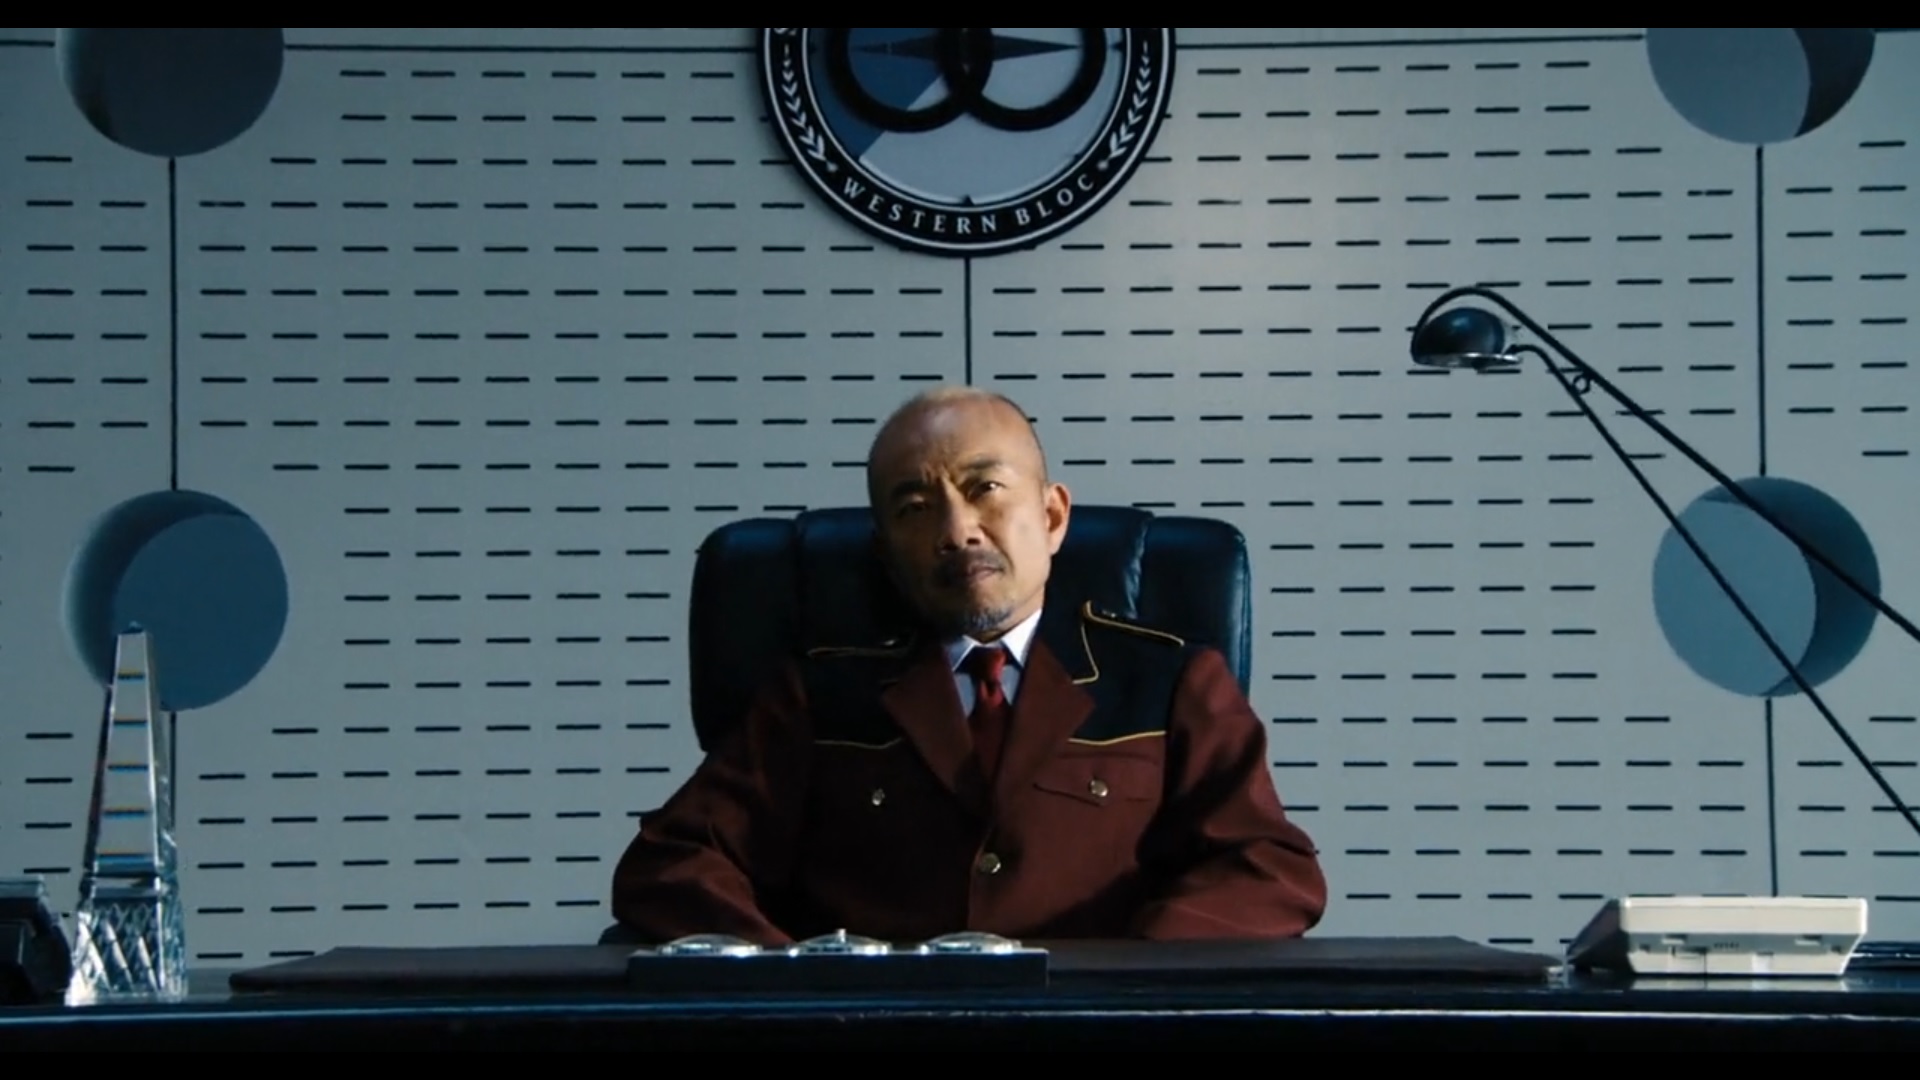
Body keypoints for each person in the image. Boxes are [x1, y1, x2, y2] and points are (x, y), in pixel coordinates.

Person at [610, 386, 1326, 944]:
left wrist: (1128, 984)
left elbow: (1267, 868)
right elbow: (672, 863)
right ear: (886, 554)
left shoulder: (1167, 683)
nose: (956, 531)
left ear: (1052, 517)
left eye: (984, 489)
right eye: (915, 508)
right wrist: (795, 982)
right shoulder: (819, 695)